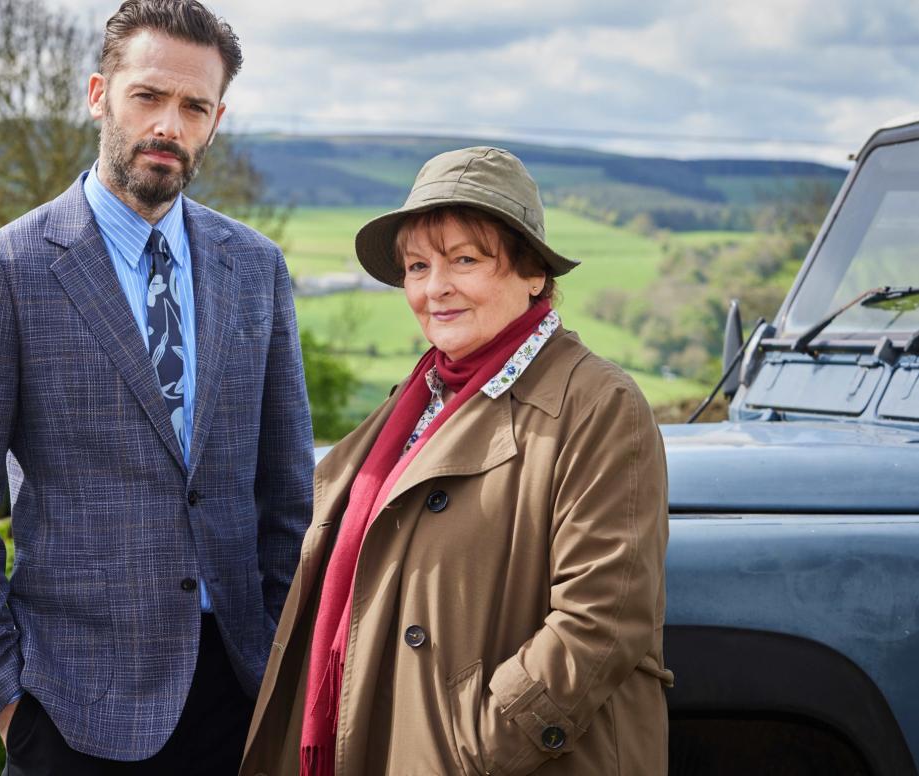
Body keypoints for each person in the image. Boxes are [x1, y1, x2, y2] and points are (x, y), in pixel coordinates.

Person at [0, 1, 313, 773]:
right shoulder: (4, 272)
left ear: (215, 119)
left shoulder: (255, 268)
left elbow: (286, 488)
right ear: (99, 94)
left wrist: (275, 657)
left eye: (193, 106)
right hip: (69, 708)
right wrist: (2, 697)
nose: (168, 123)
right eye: (148, 96)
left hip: (238, 694)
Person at [241, 147, 673, 776]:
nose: (434, 288)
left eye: (464, 261)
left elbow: (602, 622)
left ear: (532, 273)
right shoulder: (415, 404)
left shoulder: (599, 404)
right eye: (417, 266)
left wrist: (469, 747)